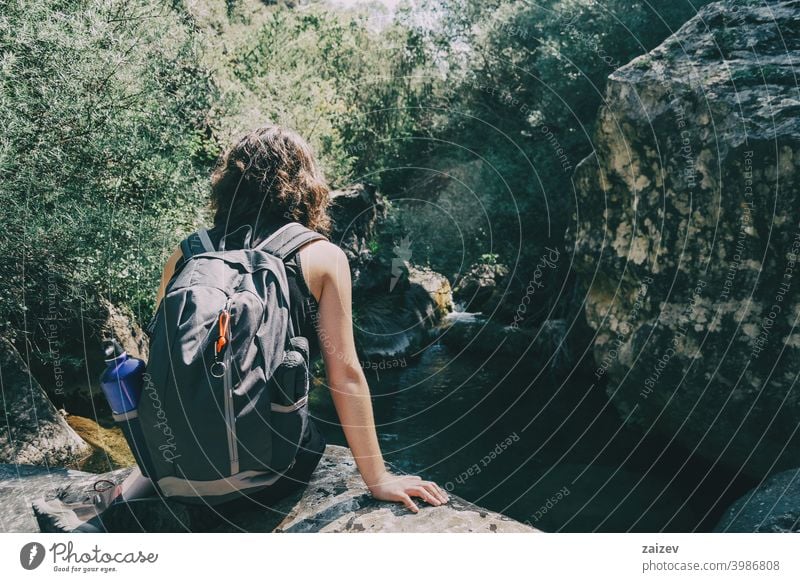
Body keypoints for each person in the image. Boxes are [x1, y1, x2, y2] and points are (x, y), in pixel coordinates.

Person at [154, 125, 449, 514]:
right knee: (311, 433)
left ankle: (131, 492)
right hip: (269, 472)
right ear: (305, 185)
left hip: (172, 469)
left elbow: (159, 359)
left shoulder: (187, 253)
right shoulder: (321, 256)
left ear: (228, 183)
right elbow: (344, 375)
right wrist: (378, 478)